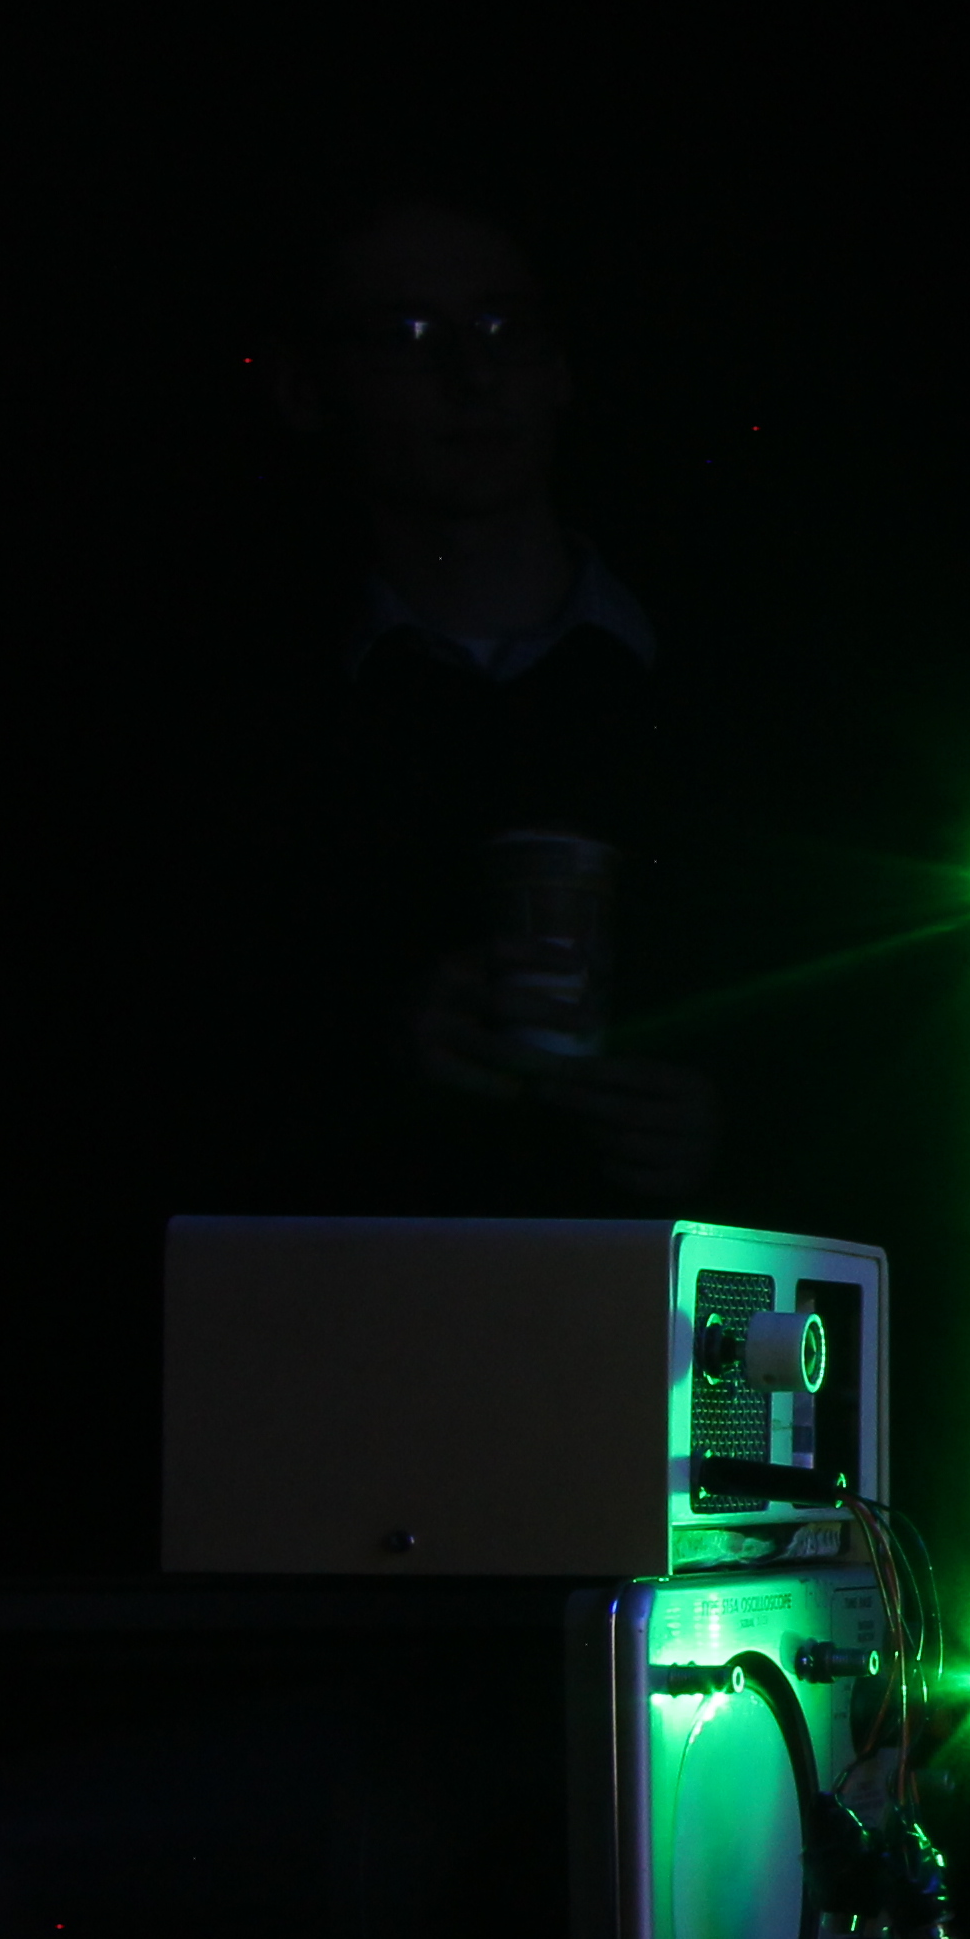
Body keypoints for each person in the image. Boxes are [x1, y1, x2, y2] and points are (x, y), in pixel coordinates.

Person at [255, 182, 720, 1213]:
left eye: (503, 327)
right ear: (304, 388)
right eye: (407, 336)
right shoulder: (240, 727)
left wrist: (727, 1137)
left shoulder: (739, 694)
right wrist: (368, 1057)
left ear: (559, 367)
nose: (474, 375)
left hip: (650, 1296)